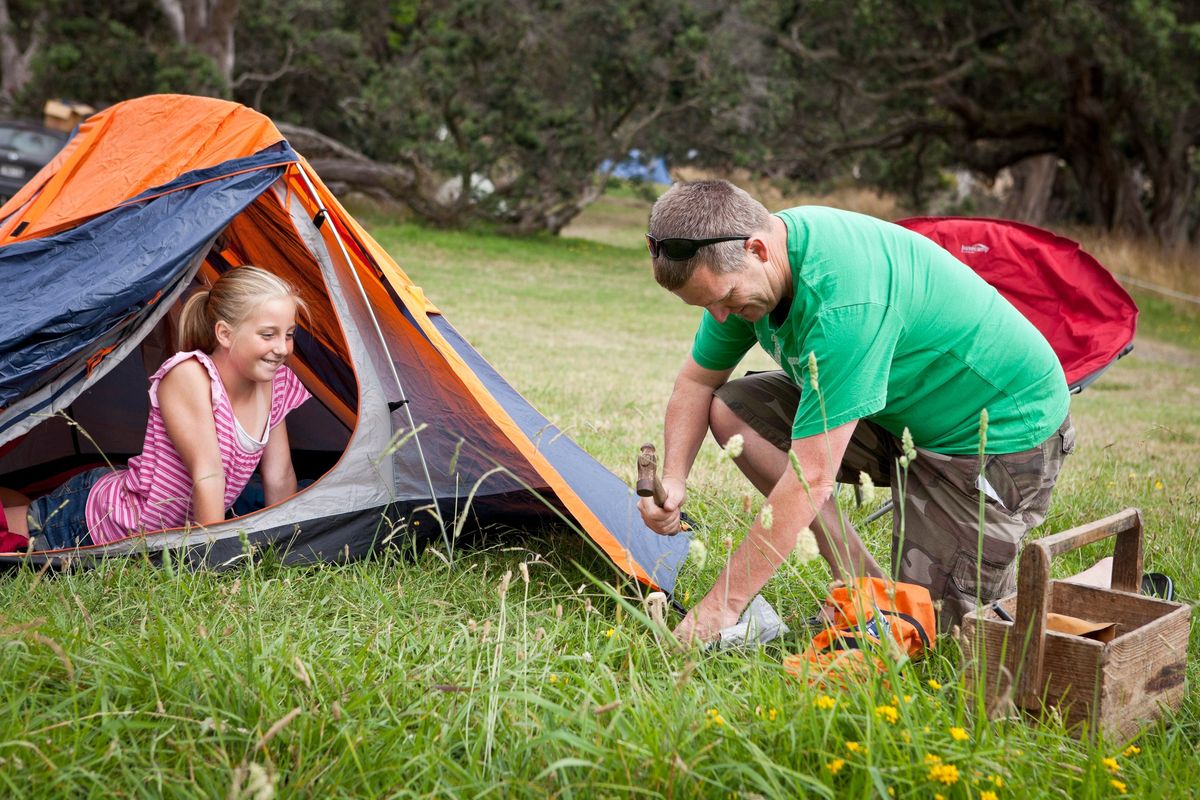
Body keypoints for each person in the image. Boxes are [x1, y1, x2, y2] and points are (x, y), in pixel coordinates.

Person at [637, 180, 1073, 642]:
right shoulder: (756, 267)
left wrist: (720, 607)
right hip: (895, 416)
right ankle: (865, 587)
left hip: (994, 438)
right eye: (708, 306)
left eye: (725, 299)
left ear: (758, 249)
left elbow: (812, 475)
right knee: (733, 411)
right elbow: (697, 381)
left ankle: (1101, 587)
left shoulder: (844, 303)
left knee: (937, 635)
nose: (720, 317)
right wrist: (675, 480)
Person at [1, 266, 311, 549]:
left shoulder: (275, 383)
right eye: (268, 335)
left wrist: (288, 549)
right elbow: (208, 474)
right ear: (225, 334)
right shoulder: (191, 375)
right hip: (102, 520)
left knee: (20, 507)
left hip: (166, 528)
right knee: (11, 530)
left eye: (289, 335)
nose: (282, 349)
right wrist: (212, 560)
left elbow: (279, 476)